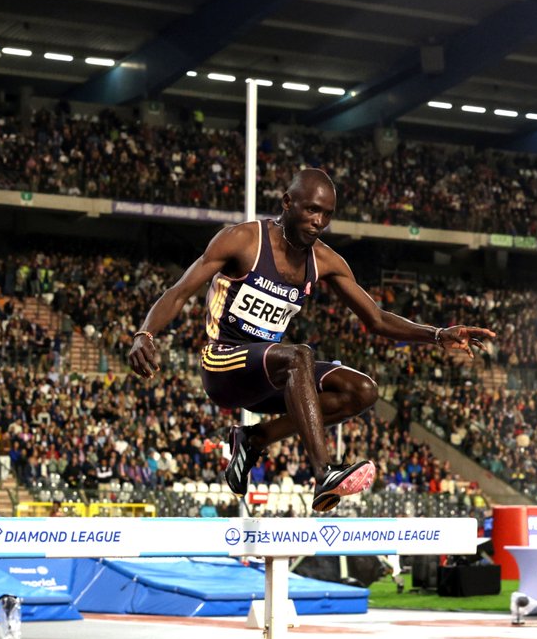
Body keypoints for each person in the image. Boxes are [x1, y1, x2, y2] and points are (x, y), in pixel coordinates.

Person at [128, 168, 494, 512]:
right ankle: (324, 474)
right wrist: (145, 333)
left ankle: (254, 440)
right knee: (297, 355)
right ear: (288, 203)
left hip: (269, 375)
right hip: (223, 365)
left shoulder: (325, 261)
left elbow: (377, 319)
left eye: (327, 214)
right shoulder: (243, 240)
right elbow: (179, 291)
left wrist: (437, 334)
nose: (319, 222)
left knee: (362, 391)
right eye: (312, 210)